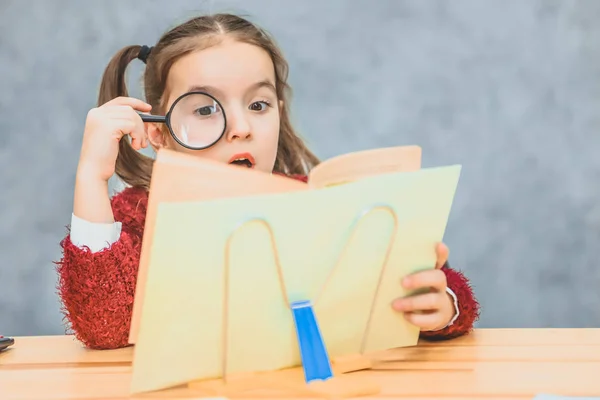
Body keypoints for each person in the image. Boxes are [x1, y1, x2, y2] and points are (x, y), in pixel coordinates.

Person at [55, 13, 480, 350]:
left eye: (258, 104)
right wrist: (92, 177)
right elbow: (104, 328)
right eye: (205, 109)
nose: (240, 127)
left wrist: (442, 305)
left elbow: (436, 292)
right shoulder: (136, 218)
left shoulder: (315, 203)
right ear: (159, 132)